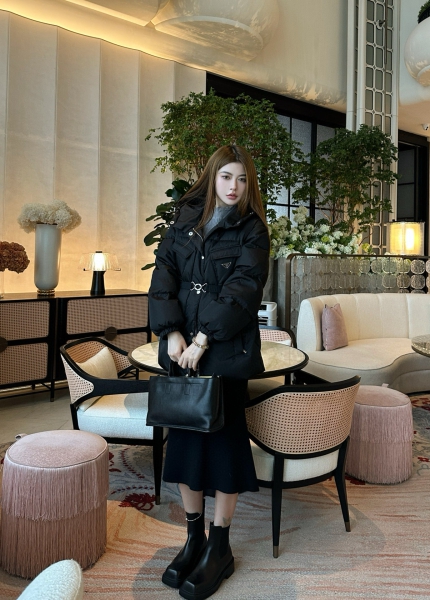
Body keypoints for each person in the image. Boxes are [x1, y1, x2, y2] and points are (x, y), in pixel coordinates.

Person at [148, 144, 270, 600]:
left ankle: (220, 546)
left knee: (223, 449)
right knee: (184, 447)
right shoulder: (183, 221)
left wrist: (203, 338)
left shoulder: (253, 229)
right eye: (226, 177)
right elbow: (164, 277)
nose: (234, 187)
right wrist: (171, 332)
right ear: (212, 177)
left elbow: (243, 289)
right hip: (181, 352)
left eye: (242, 179)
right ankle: (193, 538)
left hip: (225, 352)